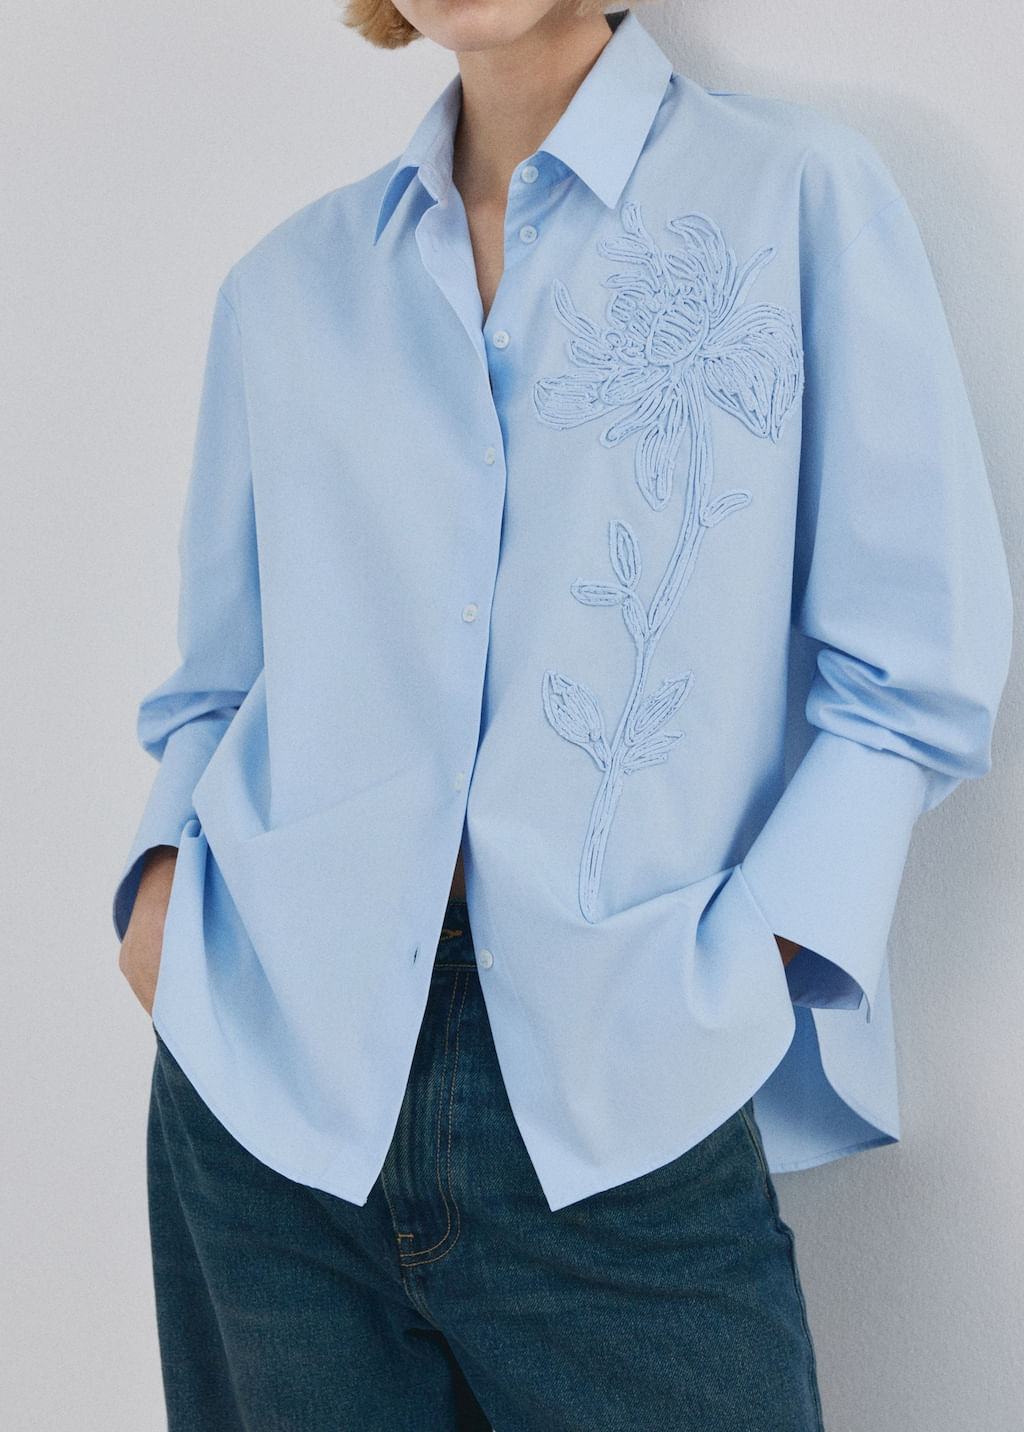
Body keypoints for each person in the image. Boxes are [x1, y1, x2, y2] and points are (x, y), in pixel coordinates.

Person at [114, 2, 1012, 1428]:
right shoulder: (285, 289)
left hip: (621, 1082)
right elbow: (218, 682)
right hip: (270, 1092)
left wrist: (743, 965)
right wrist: (162, 900)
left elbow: (916, 661)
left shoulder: (794, 200)